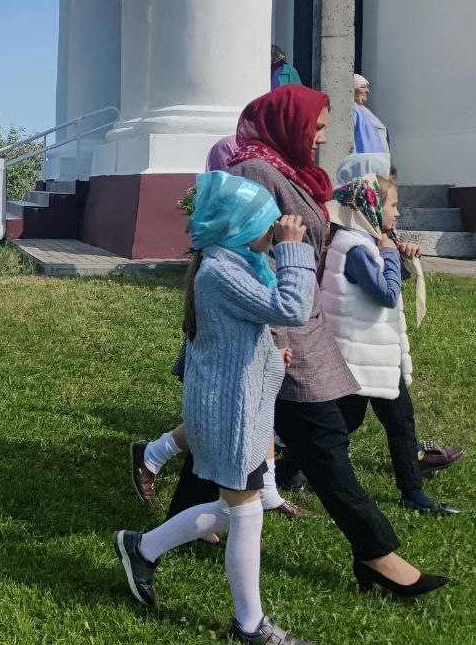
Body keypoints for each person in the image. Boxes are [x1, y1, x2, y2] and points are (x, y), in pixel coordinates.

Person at [180, 84, 445, 597]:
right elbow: (254, 260)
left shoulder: (285, 168)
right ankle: (376, 553)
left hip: (303, 321)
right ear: (287, 122)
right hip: (280, 326)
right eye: (317, 125)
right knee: (322, 439)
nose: (323, 136)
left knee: (234, 422)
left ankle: (180, 522)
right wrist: (276, 338)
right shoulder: (256, 172)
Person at [114, 170, 317, 645]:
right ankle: (250, 626)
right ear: (240, 227)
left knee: (236, 509)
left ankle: (142, 548)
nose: (274, 231)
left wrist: (271, 354)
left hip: (237, 410)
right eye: (267, 224)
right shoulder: (221, 271)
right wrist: (292, 249)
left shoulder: (234, 263)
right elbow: (292, 308)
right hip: (229, 413)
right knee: (245, 513)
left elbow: (242, 334)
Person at [325, 173, 461, 515]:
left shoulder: (366, 241)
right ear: (370, 206)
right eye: (393, 205)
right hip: (363, 354)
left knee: (392, 420)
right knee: (352, 422)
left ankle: (412, 491)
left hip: (372, 353)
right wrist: (388, 254)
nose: (398, 213)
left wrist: (397, 255)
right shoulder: (356, 247)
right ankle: (290, 468)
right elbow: (385, 294)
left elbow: (382, 284)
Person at [353, 74, 390, 154]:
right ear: (352, 90)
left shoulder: (362, 110)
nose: (367, 90)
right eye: (363, 87)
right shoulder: (353, 110)